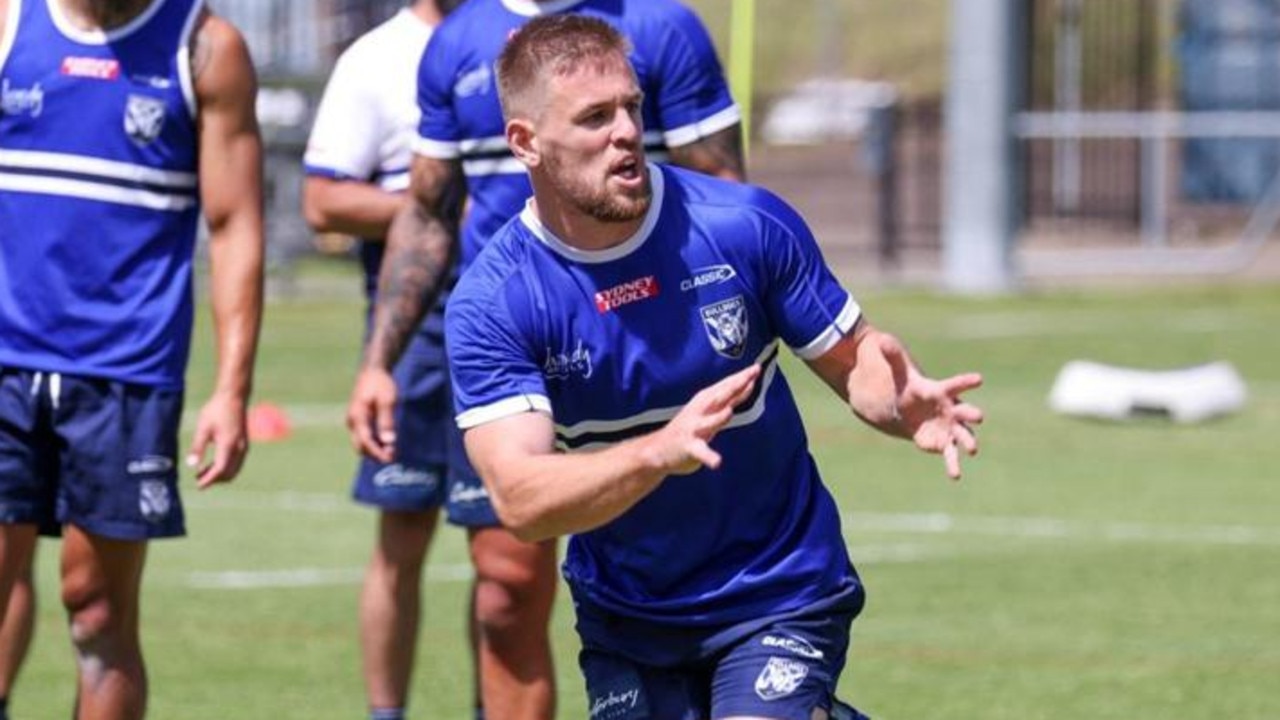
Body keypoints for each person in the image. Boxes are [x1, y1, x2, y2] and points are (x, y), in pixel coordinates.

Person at [440, 16, 985, 720]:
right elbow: (521, 500)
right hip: (627, 613)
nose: (627, 132)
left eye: (632, 107)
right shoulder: (495, 301)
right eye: (595, 117)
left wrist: (900, 402)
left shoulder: (744, 225)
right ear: (526, 143)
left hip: (778, 586)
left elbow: (858, 369)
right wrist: (658, 455)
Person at [346, 1, 744, 718]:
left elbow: (728, 198)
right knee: (505, 591)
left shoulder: (660, 27)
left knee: (693, 590)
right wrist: (380, 359)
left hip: (651, 351)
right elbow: (430, 214)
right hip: (521, 351)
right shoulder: (456, 42)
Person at [0, 0, 264, 718]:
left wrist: (231, 389)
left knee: (96, 612)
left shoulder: (206, 47)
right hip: (4, 366)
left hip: (126, 376)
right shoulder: (9, 24)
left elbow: (235, 222)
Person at [300, 2, 496, 720]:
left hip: (512, 328)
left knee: (502, 552)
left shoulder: (519, 35)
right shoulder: (374, 60)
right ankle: (387, 715)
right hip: (413, 328)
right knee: (402, 532)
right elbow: (321, 201)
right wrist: (435, 205)